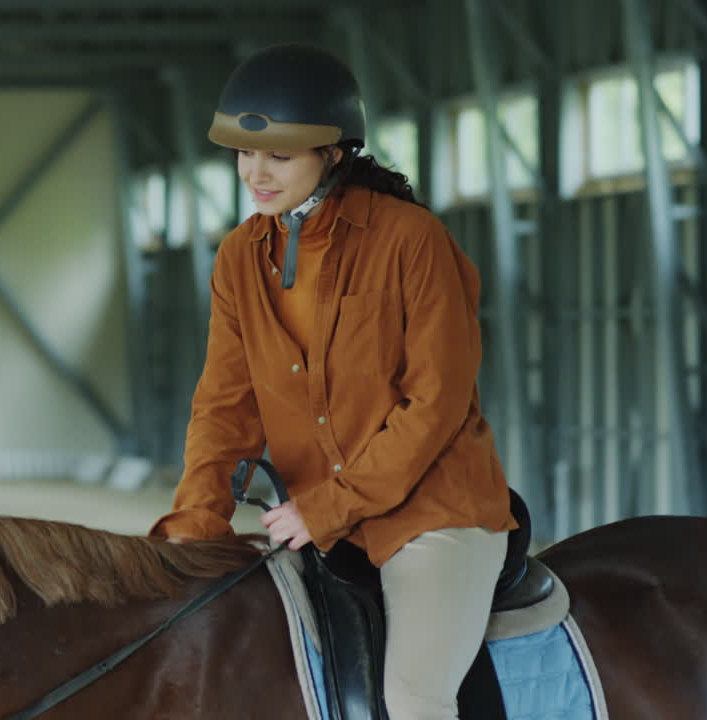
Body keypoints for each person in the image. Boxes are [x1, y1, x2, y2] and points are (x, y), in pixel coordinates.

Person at [148, 43, 518, 720]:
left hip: (431, 516)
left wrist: (327, 507)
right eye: (244, 154)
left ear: (334, 154)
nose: (255, 174)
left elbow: (436, 402)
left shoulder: (412, 240)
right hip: (313, 523)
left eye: (278, 157)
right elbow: (225, 405)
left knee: (412, 702)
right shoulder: (237, 256)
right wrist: (198, 525)